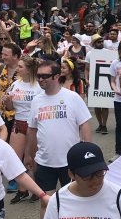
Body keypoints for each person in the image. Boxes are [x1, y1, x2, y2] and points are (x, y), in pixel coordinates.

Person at [25, 61, 93, 204]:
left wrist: (87, 154)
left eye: (45, 76)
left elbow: (85, 125)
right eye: (38, 76)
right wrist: (28, 155)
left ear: (56, 77)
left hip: (69, 161)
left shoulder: (72, 97)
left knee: (72, 201)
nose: (40, 79)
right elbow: (32, 130)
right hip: (44, 161)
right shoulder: (36, 101)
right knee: (46, 203)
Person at [3, 56, 44, 203]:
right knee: (16, 158)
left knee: (32, 159)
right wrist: (7, 102)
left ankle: (35, 189)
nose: (17, 69)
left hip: (35, 125)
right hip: (18, 122)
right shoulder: (15, 84)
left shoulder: (39, 86)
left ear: (28, 69)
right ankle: (22, 190)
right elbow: (10, 108)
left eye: (20, 67)